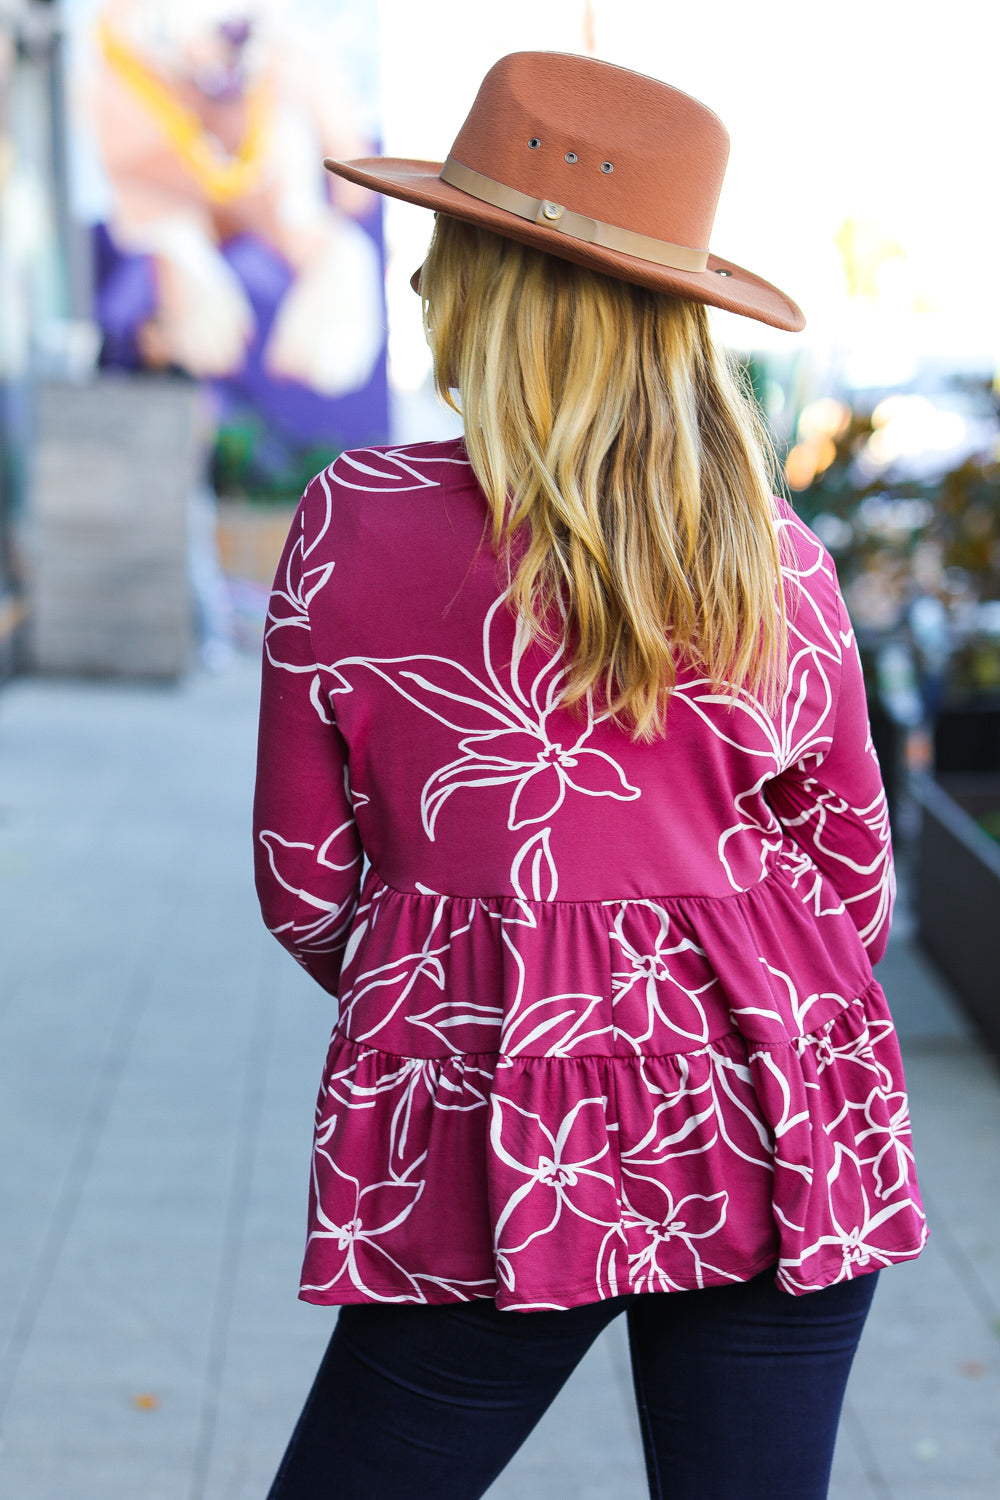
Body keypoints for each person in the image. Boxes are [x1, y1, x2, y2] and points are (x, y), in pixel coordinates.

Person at [253, 52, 926, 1500]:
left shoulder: (354, 524)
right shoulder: (773, 552)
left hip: (497, 1104)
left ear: (477, 290)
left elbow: (305, 890)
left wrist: (473, 983)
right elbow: (856, 881)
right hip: (778, 1093)